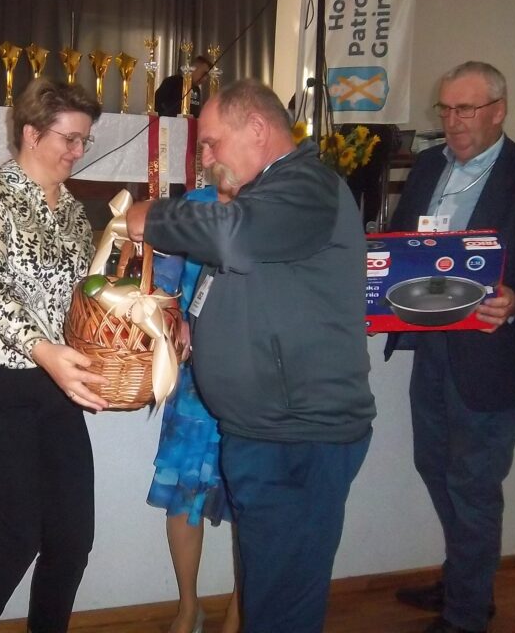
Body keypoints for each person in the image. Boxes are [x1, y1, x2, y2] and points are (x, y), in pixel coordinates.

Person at [126, 78, 376, 633]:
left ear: (258, 129)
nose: (205, 157)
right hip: (265, 432)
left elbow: (232, 237)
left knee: (281, 608)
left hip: (298, 438)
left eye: (212, 143)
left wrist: (154, 217)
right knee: (267, 595)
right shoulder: (266, 194)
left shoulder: (308, 187)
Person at [385, 61, 515, 633]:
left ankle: (467, 613)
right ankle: (465, 578)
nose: (453, 121)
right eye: (446, 109)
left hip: (496, 358)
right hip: (433, 347)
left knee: (473, 485)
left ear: (499, 111)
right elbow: (402, 243)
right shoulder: (429, 166)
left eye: (466, 109)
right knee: (434, 466)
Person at [0, 77, 108, 633]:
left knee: (72, 538)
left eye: (84, 140)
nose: (78, 151)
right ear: (33, 133)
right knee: (13, 539)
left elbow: (82, 296)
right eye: (70, 138)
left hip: (51, 386)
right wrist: (45, 351)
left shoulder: (74, 212)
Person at [147, 184, 241, 633]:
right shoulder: (192, 208)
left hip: (253, 382)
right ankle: (189, 607)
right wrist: (173, 319)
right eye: (208, 148)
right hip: (193, 382)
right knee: (183, 496)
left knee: (251, 498)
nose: (212, 153)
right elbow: (160, 289)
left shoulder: (273, 204)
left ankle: (241, 610)